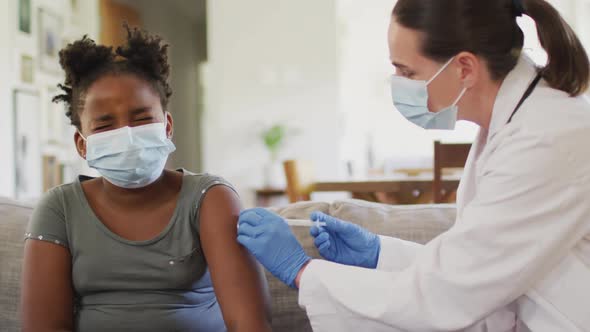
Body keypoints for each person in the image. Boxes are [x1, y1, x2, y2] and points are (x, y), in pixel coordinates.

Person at [237, 0, 590, 330]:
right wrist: (381, 254)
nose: (399, 86)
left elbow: (451, 291)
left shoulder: (547, 136)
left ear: (464, 67)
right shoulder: (513, 124)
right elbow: (478, 265)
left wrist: (303, 273)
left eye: (406, 71)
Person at [21, 26, 271, 332]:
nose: (127, 135)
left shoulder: (210, 199)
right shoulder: (59, 208)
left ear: (166, 126)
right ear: (82, 144)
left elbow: (250, 325)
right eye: (104, 126)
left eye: (141, 120)